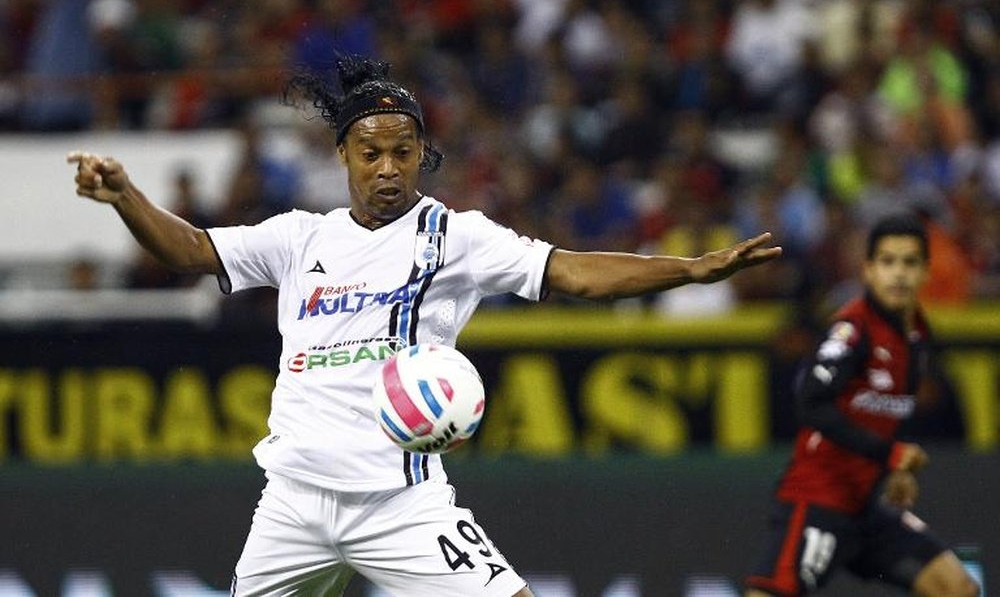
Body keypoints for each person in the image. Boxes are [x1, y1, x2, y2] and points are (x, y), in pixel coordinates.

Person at [67, 54, 781, 597]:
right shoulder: (298, 238)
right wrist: (126, 196)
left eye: (402, 152)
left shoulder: (453, 236)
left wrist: (685, 269)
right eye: (370, 152)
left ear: (421, 154)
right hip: (293, 498)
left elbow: (570, 271)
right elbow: (193, 249)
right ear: (343, 153)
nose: (387, 169)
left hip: (398, 500)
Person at [744, 213, 980, 597]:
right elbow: (812, 405)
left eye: (910, 262)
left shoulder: (916, 336)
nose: (899, 274)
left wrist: (896, 471)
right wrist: (891, 454)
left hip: (871, 507)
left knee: (958, 589)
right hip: (820, 498)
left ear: (925, 272)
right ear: (868, 270)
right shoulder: (851, 330)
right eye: (888, 262)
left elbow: (887, 412)